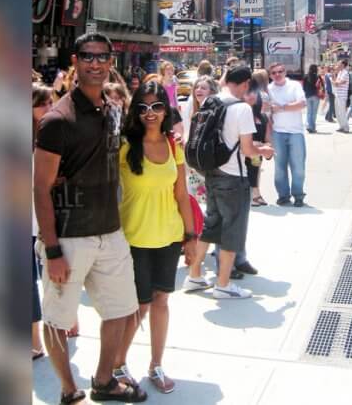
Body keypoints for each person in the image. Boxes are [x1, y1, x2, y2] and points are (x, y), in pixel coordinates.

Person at [33, 33, 147, 403]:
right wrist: (52, 251)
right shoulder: (56, 120)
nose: (95, 63)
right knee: (57, 321)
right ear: (75, 61)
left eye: (102, 57)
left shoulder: (112, 109)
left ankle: (102, 381)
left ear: (111, 61)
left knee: (122, 310)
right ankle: (69, 390)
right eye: (87, 56)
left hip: (110, 232)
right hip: (68, 238)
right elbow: (39, 188)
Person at [113, 81, 199, 395]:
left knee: (161, 301)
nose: (151, 113)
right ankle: (118, 364)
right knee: (139, 305)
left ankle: (156, 364)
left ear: (166, 109)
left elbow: (181, 195)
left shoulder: (174, 146)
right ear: (136, 112)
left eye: (157, 106)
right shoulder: (124, 146)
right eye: (143, 107)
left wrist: (190, 237)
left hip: (170, 236)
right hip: (133, 238)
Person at [184, 66, 275, 299]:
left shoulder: (210, 102)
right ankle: (223, 284)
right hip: (234, 177)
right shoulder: (242, 108)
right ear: (245, 83)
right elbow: (247, 149)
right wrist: (263, 150)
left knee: (210, 226)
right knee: (232, 232)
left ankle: (194, 275)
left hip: (211, 173)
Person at [31, 83, 54, 361]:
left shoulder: (57, 132)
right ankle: (35, 339)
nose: (48, 109)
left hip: (48, 221)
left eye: (50, 103)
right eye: (42, 104)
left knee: (52, 279)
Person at [267, 61, 309, 206]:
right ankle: (283, 195)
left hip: (296, 132)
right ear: (270, 75)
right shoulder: (268, 89)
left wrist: (282, 107)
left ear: (285, 72)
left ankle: (298, 195)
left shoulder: (294, 85)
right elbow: (266, 109)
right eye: (274, 73)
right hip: (277, 132)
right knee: (279, 167)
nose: (277, 75)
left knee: (298, 166)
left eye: (280, 71)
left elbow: (302, 103)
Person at [301, 64, 321, 133]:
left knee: (309, 112)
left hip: (308, 96)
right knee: (314, 113)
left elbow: (303, 87)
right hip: (316, 96)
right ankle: (312, 127)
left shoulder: (306, 76)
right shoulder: (318, 77)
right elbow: (321, 86)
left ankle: (309, 126)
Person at [332, 60, 351, 133]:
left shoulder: (345, 73)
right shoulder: (340, 72)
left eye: (339, 64)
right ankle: (341, 126)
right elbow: (335, 83)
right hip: (337, 94)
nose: (337, 65)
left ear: (343, 65)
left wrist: (335, 82)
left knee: (342, 111)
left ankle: (346, 127)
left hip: (342, 95)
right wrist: (334, 74)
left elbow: (338, 83)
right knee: (338, 112)